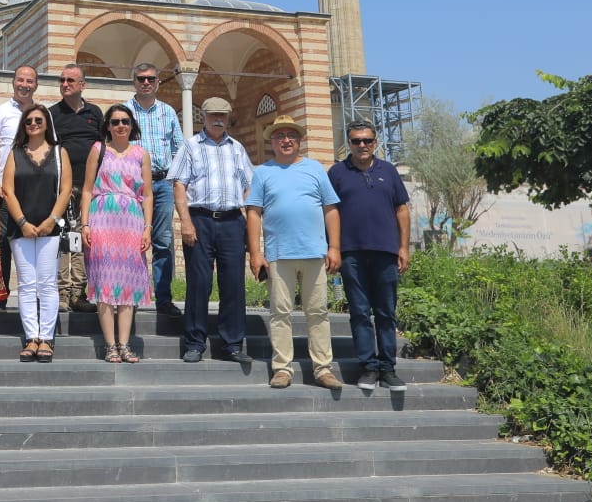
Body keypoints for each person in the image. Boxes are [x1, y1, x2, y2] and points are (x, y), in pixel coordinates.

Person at [245, 115, 343, 390]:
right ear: (272, 142)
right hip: (279, 254)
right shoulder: (263, 172)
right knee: (280, 314)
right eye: (279, 136)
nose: (286, 140)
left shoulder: (314, 169)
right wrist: (255, 253)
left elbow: (331, 209)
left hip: (314, 252)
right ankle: (282, 369)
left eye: (291, 135)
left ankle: (323, 369)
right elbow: (253, 212)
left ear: (299, 140)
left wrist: (334, 247)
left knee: (318, 312)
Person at [327, 118, 412, 393]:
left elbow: (402, 210)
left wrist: (404, 247)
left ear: (375, 142)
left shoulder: (388, 171)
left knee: (386, 312)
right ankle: (368, 367)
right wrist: (334, 248)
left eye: (367, 140)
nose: (362, 145)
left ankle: (388, 368)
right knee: (360, 312)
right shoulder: (337, 173)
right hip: (351, 254)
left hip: (386, 252)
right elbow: (330, 212)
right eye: (356, 141)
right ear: (348, 144)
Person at [171, 96, 254, 362]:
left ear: (229, 117)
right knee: (199, 283)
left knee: (233, 284)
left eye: (223, 115)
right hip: (200, 220)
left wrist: (244, 211)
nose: (218, 119)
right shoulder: (190, 146)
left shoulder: (237, 148)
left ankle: (232, 344)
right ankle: (195, 343)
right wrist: (185, 221)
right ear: (203, 117)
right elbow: (179, 185)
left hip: (231, 221)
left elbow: (250, 183)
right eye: (212, 115)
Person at [79, 104, 153, 363]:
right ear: (107, 126)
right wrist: (85, 224)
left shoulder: (141, 153)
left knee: (127, 285)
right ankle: (110, 346)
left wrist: (147, 228)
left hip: (132, 223)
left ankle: (125, 345)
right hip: (102, 220)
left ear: (132, 125)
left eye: (125, 121)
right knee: (104, 283)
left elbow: (148, 194)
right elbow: (87, 189)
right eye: (115, 122)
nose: (120, 125)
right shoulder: (98, 150)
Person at [1, 103, 72, 362]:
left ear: (47, 124)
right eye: (29, 121)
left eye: (38, 120)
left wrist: (52, 220)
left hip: (50, 228)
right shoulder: (15, 152)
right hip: (21, 229)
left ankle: (47, 338)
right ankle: (31, 337)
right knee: (27, 285)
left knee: (48, 284)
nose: (33, 124)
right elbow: (7, 190)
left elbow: (65, 190)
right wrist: (21, 222)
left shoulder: (59, 152)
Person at [128, 61, 185, 318]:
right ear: (134, 82)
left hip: (162, 184)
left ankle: (163, 299)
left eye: (151, 78)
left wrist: (174, 179)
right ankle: (130, 296)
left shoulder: (168, 112)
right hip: (132, 184)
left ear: (158, 82)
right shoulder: (125, 111)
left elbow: (179, 149)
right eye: (141, 79)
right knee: (130, 241)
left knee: (162, 241)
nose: (146, 83)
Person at [47, 63, 105, 312]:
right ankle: (61, 293)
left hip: (90, 187)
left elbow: (102, 147)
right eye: (62, 80)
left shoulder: (95, 112)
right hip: (62, 188)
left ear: (83, 85)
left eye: (70, 80)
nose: (65, 84)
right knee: (61, 240)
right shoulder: (52, 114)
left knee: (83, 238)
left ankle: (78, 293)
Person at [0, 65, 39, 306]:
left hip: (34, 190)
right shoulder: (0, 112)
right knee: (3, 241)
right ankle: (0, 297)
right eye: (20, 80)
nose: (24, 85)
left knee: (33, 241)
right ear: (13, 82)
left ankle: (33, 296)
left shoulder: (40, 114)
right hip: (5, 188)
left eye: (29, 81)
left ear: (35, 85)